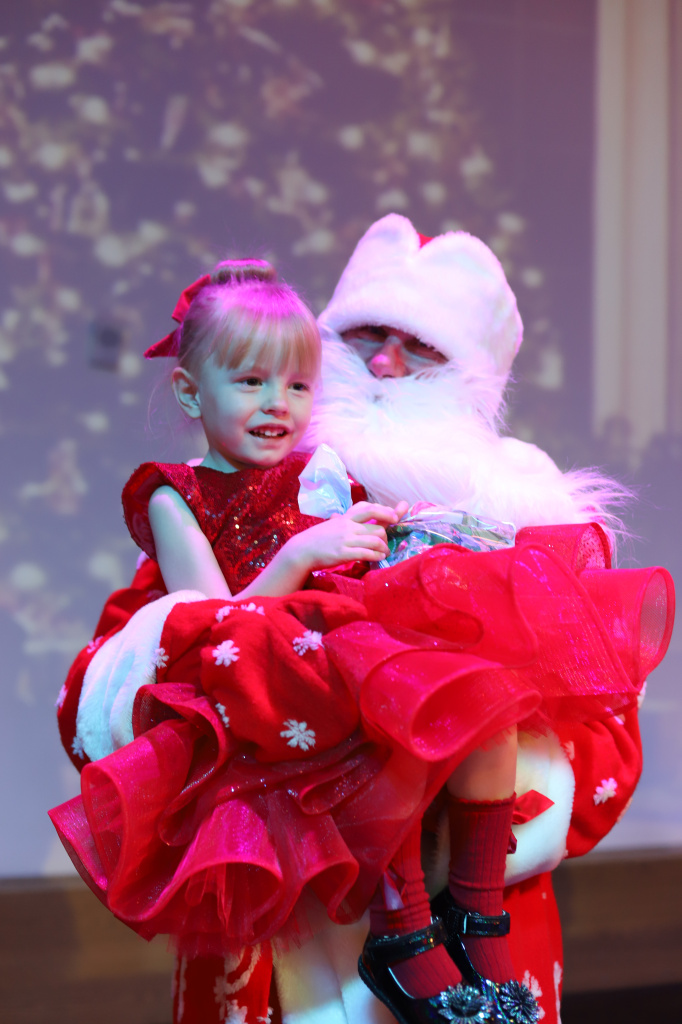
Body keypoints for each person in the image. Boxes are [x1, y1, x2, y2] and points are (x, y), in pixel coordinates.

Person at [51, 240, 673, 1024]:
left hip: (473, 897)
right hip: (286, 908)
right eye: (364, 337)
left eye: (421, 348)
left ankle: (451, 924)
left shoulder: (524, 502)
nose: (383, 365)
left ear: (473, 371)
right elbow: (148, 657)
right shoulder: (261, 483)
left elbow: (599, 723)